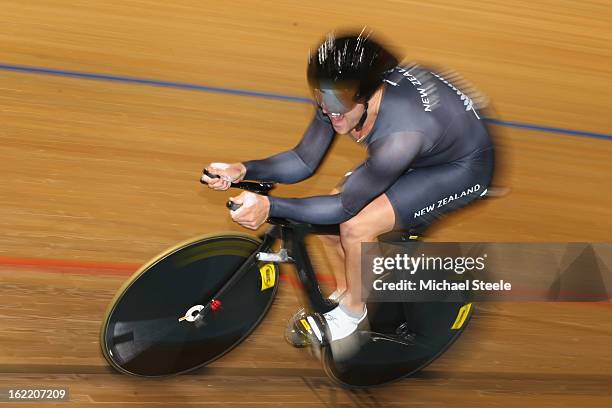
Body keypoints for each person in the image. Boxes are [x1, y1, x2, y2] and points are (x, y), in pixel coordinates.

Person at [201, 30, 494, 345]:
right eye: (322, 96)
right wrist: (242, 170)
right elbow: (303, 160)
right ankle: (349, 295)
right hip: (430, 142)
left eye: (338, 100)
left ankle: (352, 314)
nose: (329, 109)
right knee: (328, 225)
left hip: (460, 168)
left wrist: (271, 206)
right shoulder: (339, 96)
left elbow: (345, 208)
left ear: (369, 93)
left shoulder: (399, 135)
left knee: (354, 226)